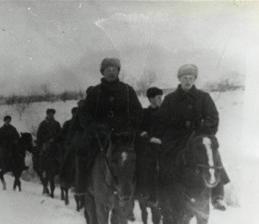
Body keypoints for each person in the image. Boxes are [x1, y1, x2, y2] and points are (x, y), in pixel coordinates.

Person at [151, 64, 229, 211]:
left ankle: (217, 196)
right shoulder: (170, 99)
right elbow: (161, 120)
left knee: (213, 155)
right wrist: (174, 128)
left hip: (199, 137)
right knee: (165, 160)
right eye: (185, 78)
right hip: (176, 139)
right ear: (179, 79)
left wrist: (203, 127)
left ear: (195, 79)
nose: (188, 81)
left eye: (191, 78)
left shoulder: (203, 97)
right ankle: (162, 193)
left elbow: (213, 117)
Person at [74, 58, 143, 195]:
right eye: (108, 69)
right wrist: (92, 126)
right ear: (102, 72)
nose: (111, 72)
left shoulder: (128, 91)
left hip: (124, 136)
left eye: (114, 69)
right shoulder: (95, 92)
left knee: (143, 153)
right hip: (100, 136)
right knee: (80, 151)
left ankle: (141, 189)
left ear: (118, 71)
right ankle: (81, 186)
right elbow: (85, 113)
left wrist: (131, 127)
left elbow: (138, 112)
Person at [135, 87, 163, 207]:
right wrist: (150, 138)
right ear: (151, 99)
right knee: (147, 165)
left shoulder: (166, 112)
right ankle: (148, 194)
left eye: (161, 97)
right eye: (157, 98)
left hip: (164, 144)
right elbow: (139, 129)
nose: (160, 100)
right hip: (149, 146)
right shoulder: (144, 113)